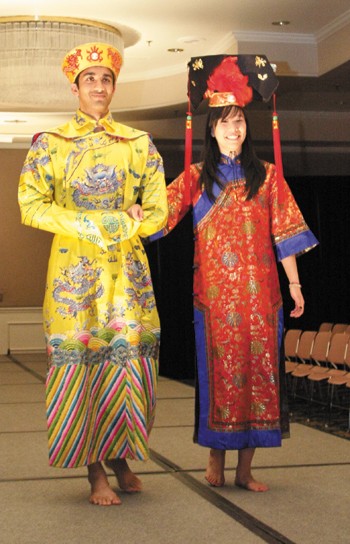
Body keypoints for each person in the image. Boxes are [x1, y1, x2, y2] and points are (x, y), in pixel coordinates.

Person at [152, 55, 318, 492]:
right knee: (221, 382)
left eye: (240, 121)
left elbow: (286, 235)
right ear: (211, 129)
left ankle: (246, 469)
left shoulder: (267, 177)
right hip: (216, 303)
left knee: (262, 381)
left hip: (263, 300)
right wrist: (133, 211)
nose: (234, 130)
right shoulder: (195, 178)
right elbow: (158, 216)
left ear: (247, 128)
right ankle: (216, 461)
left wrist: (295, 285)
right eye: (225, 123)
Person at [18, 42, 168, 506]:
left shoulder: (138, 143)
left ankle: (122, 456)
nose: (98, 87)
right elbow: (30, 205)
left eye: (106, 79)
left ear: (113, 87)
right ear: (75, 87)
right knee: (80, 366)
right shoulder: (52, 144)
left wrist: (131, 222)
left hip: (127, 275)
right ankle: (94, 470)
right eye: (90, 80)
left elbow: (159, 211)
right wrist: (93, 222)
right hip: (74, 277)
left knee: (127, 360)